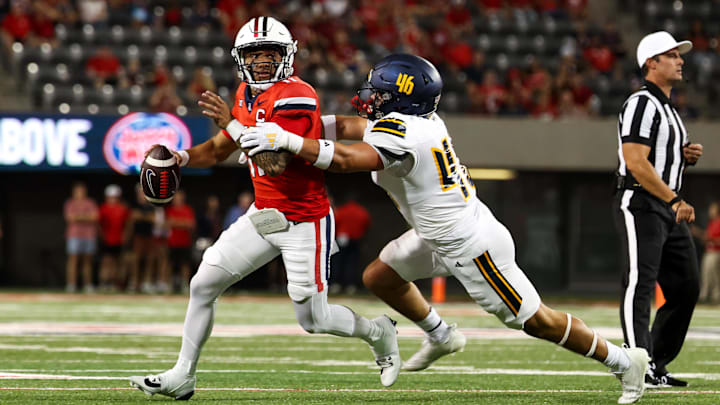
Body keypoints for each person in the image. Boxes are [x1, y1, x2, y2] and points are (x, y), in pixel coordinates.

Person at [240, 53, 650, 404]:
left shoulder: (403, 132)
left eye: (378, 92)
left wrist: (289, 142)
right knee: (380, 277)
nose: (370, 98)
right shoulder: (415, 121)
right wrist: (289, 126)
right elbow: (348, 127)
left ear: (399, 98)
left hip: (471, 246)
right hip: (436, 233)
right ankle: (441, 335)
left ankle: (623, 361)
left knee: (536, 321)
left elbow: (346, 158)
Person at [129, 17, 400, 401]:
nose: (261, 62)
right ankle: (182, 375)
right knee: (203, 284)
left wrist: (233, 124)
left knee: (314, 319)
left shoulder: (297, 95)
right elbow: (223, 147)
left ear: (286, 55)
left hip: (305, 219)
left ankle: (379, 331)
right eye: (254, 55)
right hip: (265, 213)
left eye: (269, 53)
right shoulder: (245, 93)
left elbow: (276, 163)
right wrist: (182, 156)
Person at [613, 31, 703, 389]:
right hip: (643, 203)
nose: (680, 60)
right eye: (672, 55)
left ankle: (655, 363)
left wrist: (683, 156)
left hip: (666, 204)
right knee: (640, 283)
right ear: (652, 62)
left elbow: (658, 156)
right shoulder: (641, 103)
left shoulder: (668, 109)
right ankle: (636, 363)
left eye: (679, 55)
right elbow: (635, 162)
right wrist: (675, 199)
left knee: (686, 286)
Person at [330, 195, 371, 294]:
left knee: (338, 262)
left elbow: (334, 223)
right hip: (356, 240)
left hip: (341, 239)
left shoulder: (341, 210)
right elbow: (367, 225)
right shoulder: (362, 211)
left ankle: (336, 284)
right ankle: (350, 286)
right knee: (352, 263)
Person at [63, 182, 99, 293]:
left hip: (89, 235)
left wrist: (78, 217)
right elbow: (69, 218)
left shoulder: (90, 202)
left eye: (81, 191)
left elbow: (95, 217)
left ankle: (87, 285)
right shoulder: (70, 203)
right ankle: (71, 285)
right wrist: (85, 217)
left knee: (87, 261)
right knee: (73, 260)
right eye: (77, 191)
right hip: (74, 235)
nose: (80, 193)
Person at [98, 184, 130, 292]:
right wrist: (101, 235)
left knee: (118, 262)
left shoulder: (122, 208)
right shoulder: (103, 208)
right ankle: (104, 283)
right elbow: (99, 224)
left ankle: (114, 283)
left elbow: (127, 224)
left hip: (119, 239)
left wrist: (125, 236)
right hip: (107, 239)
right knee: (106, 262)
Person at [127, 183, 157, 293]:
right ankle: (134, 282)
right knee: (135, 259)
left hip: (149, 235)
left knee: (149, 259)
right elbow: (132, 218)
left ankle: (146, 282)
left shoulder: (151, 205)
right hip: (137, 236)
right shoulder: (134, 205)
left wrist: (141, 217)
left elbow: (153, 219)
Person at [164, 190, 196, 293]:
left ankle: (184, 284)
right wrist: (183, 223)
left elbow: (191, 224)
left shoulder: (188, 210)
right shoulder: (169, 210)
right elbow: (167, 223)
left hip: (185, 241)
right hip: (172, 242)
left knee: (185, 264)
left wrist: (176, 223)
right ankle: (167, 284)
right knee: (169, 263)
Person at [699, 201, 720, 304]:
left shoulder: (719, 222)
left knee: (714, 275)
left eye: (712, 209)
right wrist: (699, 234)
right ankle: (704, 296)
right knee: (706, 274)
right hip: (708, 251)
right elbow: (706, 237)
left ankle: (716, 297)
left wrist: (710, 239)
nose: (710, 211)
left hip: (715, 252)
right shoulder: (711, 223)